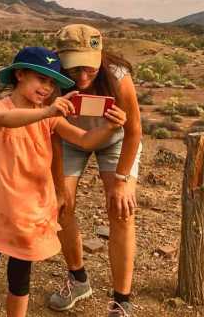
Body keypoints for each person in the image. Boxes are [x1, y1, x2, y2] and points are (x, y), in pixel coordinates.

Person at [0, 46, 127, 317]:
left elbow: (84, 140)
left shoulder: (48, 117)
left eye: (52, 82)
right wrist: (49, 112)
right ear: (20, 74)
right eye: (42, 79)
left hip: (32, 217)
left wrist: (110, 127)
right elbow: (6, 119)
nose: (47, 88)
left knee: (19, 283)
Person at [47, 24, 142, 316]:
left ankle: (121, 301)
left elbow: (135, 130)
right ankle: (78, 279)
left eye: (90, 67)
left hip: (115, 139)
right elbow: (51, 134)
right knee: (61, 206)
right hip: (69, 139)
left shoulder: (117, 76)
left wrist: (123, 180)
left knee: (121, 210)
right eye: (75, 69)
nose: (83, 76)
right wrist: (59, 188)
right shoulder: (51, 78)